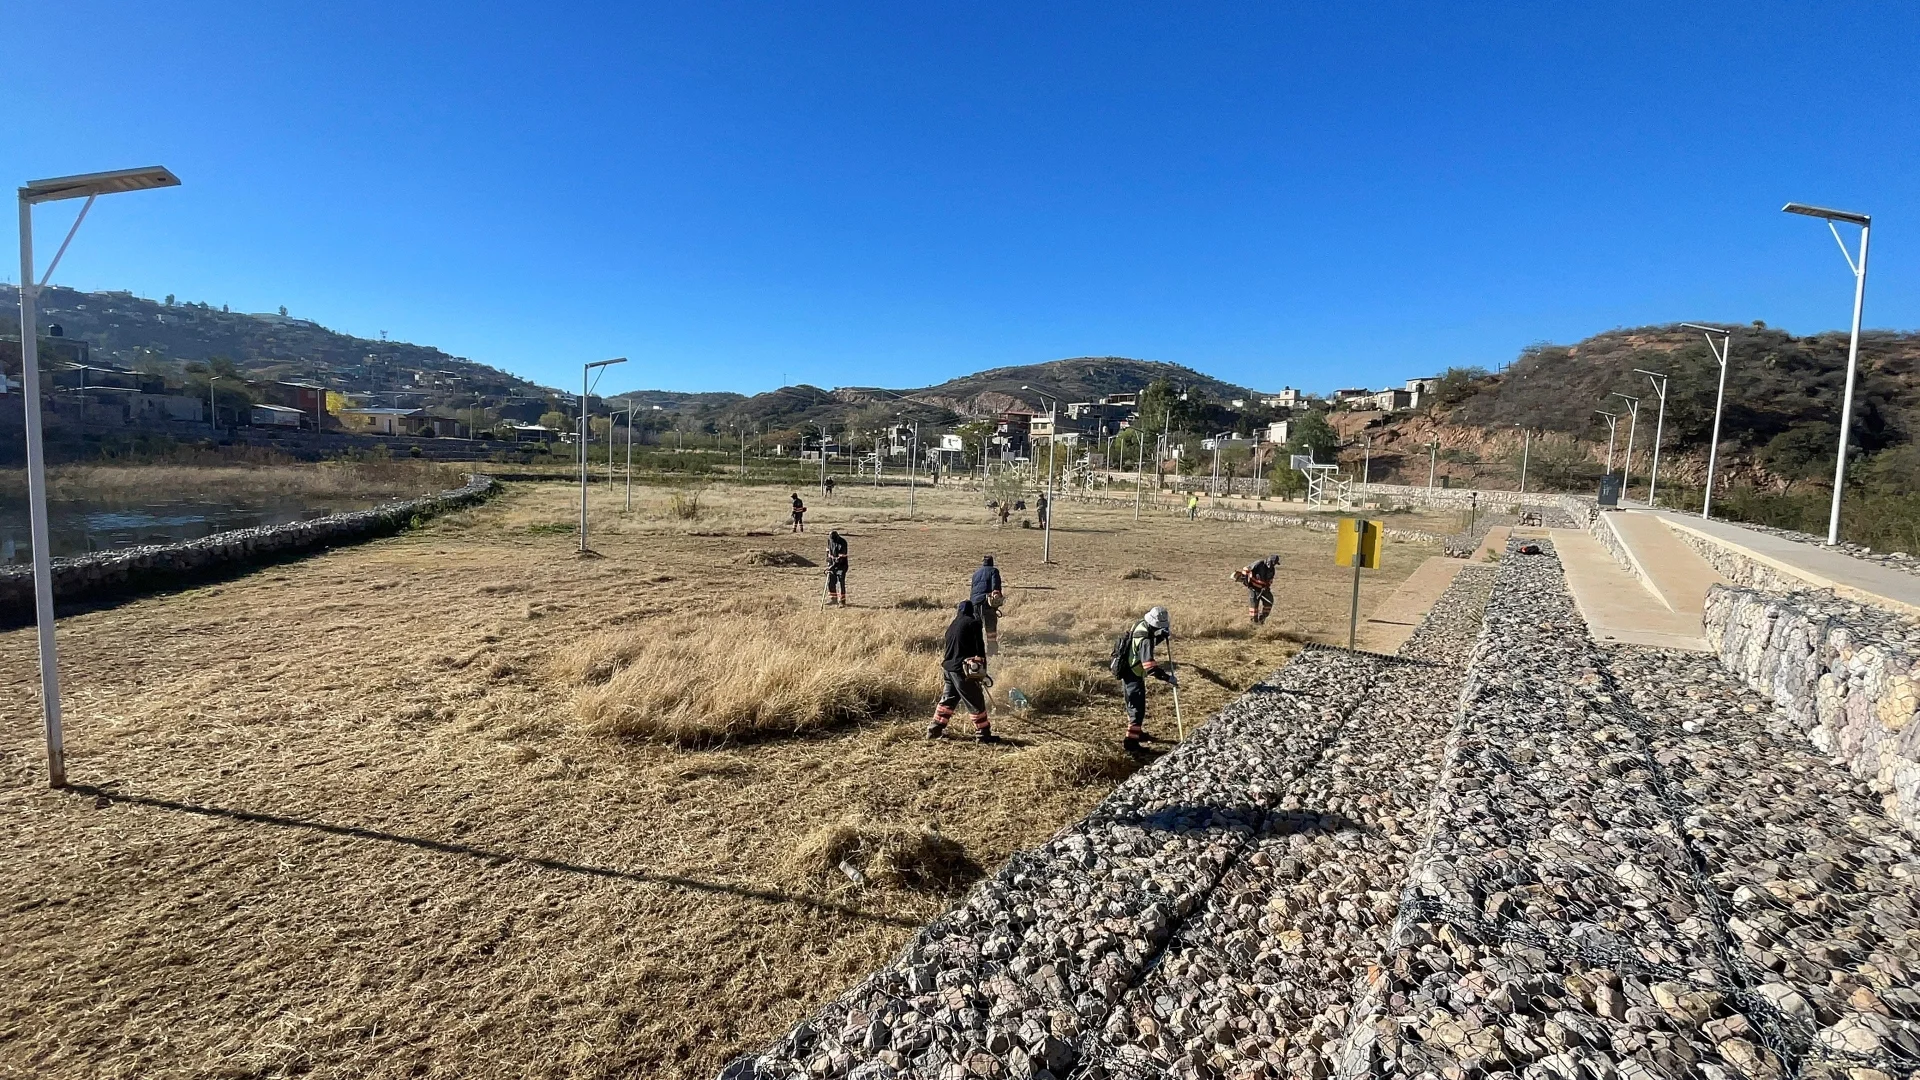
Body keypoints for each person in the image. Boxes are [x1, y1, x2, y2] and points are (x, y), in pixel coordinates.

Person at [929, 600, 995, 741]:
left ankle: (935, 729)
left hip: (948, 669)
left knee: (948, 701)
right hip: (962, 671)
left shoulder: (952, 626)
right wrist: (982, 670)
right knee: (975, 700)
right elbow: (979, 649)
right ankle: (983, 734)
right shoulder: (973, 623)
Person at [1119, 605, 1177, 751]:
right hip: (1133, 674)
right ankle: (1131, 743)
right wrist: (1168, 678)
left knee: (1133, 706)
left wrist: (1160, 636)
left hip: (1128, 670)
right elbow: (1150, 667)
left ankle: (1137, 733)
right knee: (1137, 709)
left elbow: (1145, 643)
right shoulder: (1145, 638)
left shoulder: (1140, 624)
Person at [970, 554, 1005, 655]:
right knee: (990, 628)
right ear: (992, 563)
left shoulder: (976, 573)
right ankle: (992, 651)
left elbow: (972, 589)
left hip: (974, 603)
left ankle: (976, 651)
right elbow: (995, 588)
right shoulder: (994, 571)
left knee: (977, 628)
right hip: (986, 603)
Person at [1233, 554, 1280, 624]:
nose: (1273, 565)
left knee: (1269, 601)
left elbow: (1270, 580)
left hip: (1263, 589)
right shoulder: (1258, 564)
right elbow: (1246, 569)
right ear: (1269, 561)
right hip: (1253, 588)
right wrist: (1246, 582)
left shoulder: (1272, 570)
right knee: (1254, 605)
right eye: (1273, 563)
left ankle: (1262, 619)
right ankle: (1254, 623)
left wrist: (1266, 587)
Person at [826, 530, 850, 606]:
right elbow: (828, 552)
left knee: (841, 582)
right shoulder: (830, 541)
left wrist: (833, 566)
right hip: (832, 564)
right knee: (831, 581)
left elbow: (841, 557)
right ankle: (833, 599)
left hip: (841, 566)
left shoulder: (843, 542)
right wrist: (828, 562)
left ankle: (842, 601)